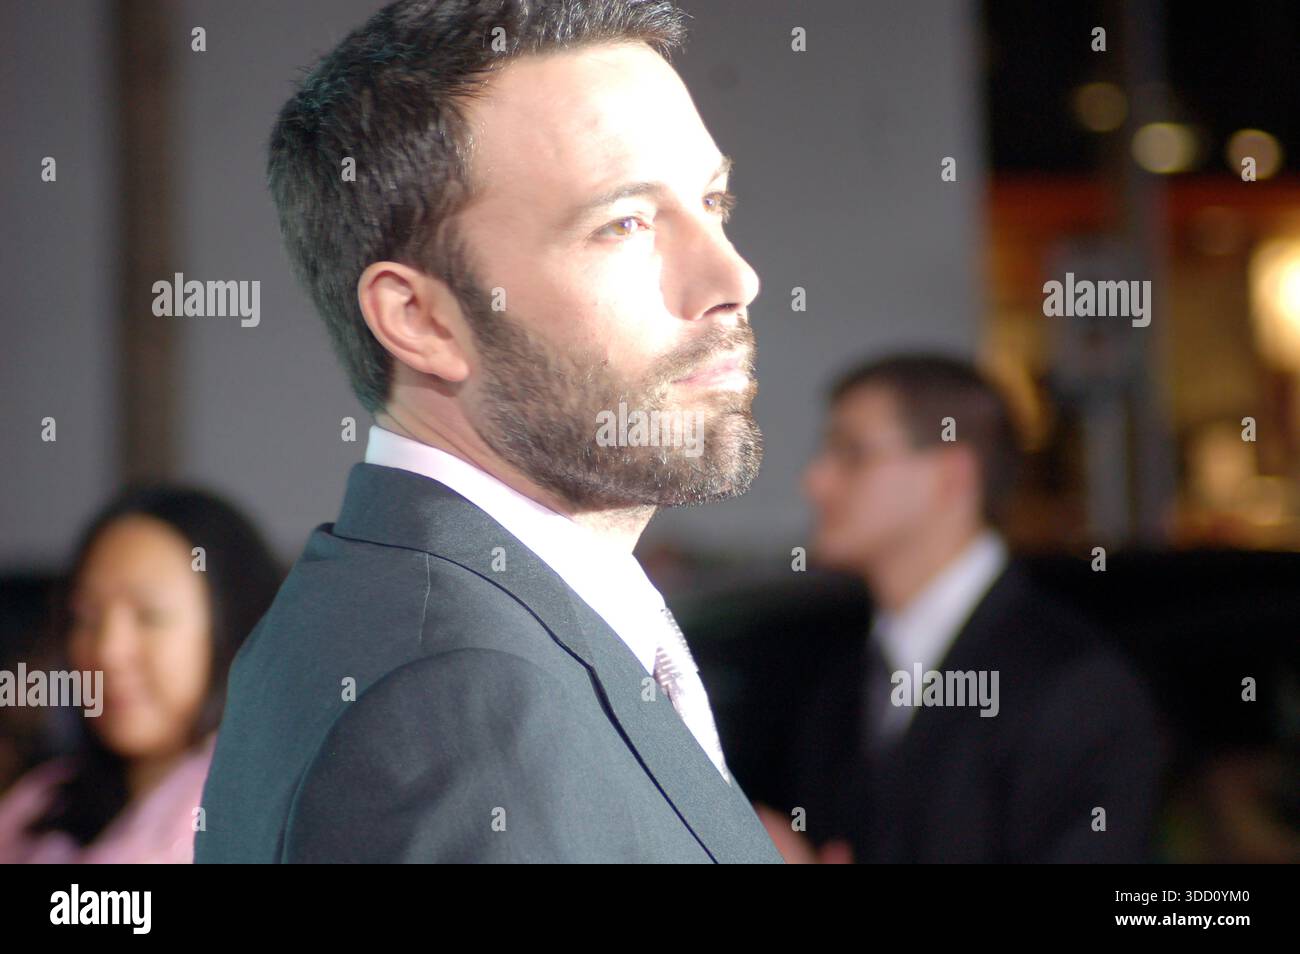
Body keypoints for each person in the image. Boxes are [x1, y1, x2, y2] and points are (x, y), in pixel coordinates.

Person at [196, 0, 779, 863]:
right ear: (421, 320)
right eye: (625, 224)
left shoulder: (395, 615)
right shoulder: (456, 707)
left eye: (713, 200)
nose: (735, 276)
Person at [758, 353, 1166, 862]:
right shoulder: (838, 683)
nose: (815, 481)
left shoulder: (1075, 687)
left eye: (853, 452)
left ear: (952, 475)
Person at [0, 486, 281, 863]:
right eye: (86, 618)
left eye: (150, 616)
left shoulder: (261, 819)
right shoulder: (41, 800)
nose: (107, 651)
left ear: (235, 628)